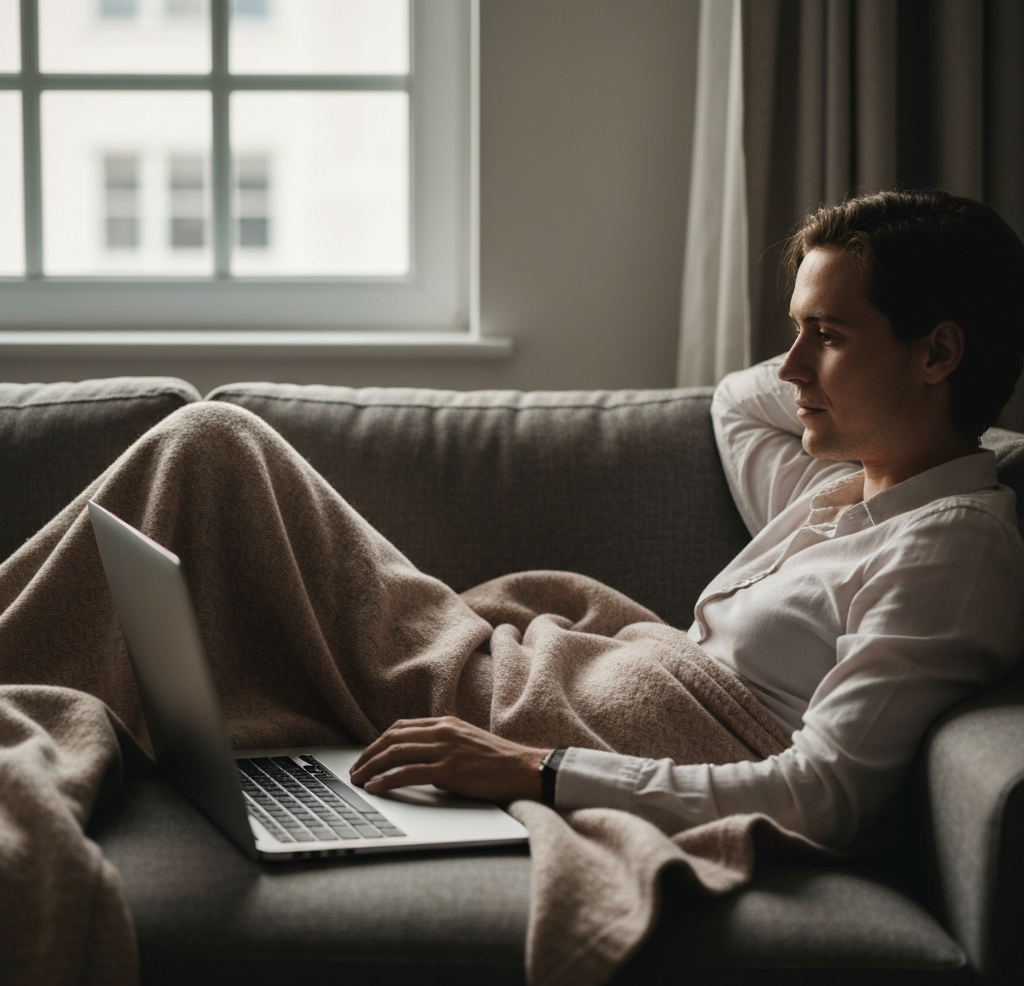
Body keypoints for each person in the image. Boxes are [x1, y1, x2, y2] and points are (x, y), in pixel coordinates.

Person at [349, 189, 1024, 848]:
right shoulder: (832, 488)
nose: (790, 368)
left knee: (240, 448)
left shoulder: (950, 548)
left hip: (560, 731)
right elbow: (736, 399)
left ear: (937, 354)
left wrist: (535, 768)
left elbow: (822, 793)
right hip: (551, 684)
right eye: (796, 331)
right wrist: (977, 434)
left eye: (826, 335)